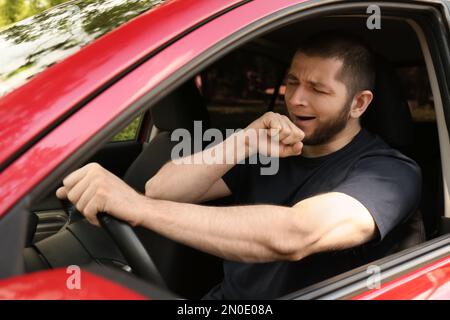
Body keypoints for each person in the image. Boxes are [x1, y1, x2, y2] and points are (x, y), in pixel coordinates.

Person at [56, 34, 422, 299]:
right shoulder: (270, 149)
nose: (295, 99)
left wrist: (137, 208)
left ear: (358, 104)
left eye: (318, 90)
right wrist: (242, 141)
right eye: (292, 81)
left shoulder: (389, 172)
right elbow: (162, 189)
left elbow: (298, 234)